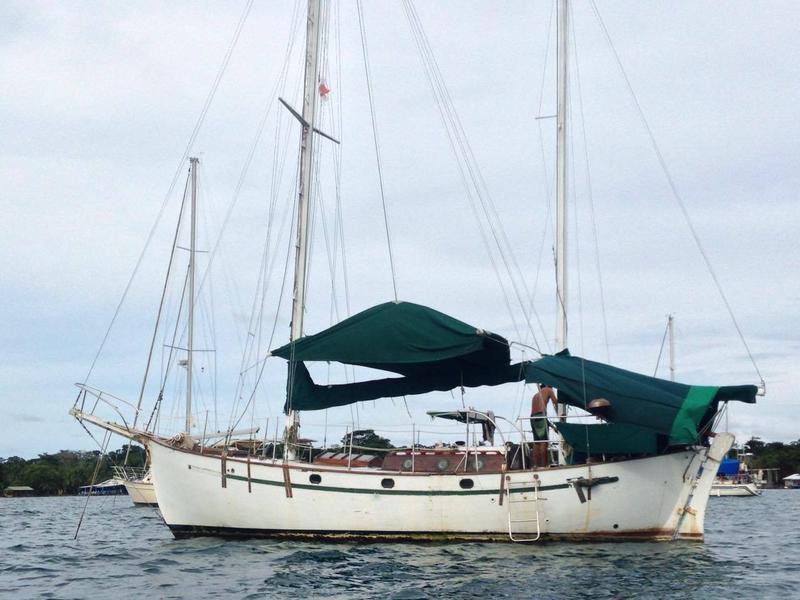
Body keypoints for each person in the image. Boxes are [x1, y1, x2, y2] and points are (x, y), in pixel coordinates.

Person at [530, 383, 558, 467]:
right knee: (544, 442)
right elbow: (555, 402)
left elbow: (541, 417)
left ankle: (535, 465)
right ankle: (545, 465)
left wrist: (552, 426)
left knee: (537, 442)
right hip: (541, 417)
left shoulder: (535, 395)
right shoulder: (549, 390)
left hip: (533, 418)